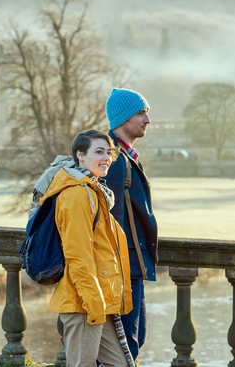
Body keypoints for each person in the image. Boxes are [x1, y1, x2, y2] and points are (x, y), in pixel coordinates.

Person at [41, 129, 133, 367]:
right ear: (80, 155)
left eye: (109, 152)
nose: (107, 158)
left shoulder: (94, 191)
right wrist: (94, 305)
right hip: (83, 302)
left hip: (97, 299)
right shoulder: (77, 195)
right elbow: (78, 256)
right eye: (99, 152)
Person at [103, 88, 159, 364]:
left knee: (134, 342)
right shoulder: (113, 162)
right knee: (121, 351)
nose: (147, 120)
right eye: (141, 113)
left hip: (134, 266)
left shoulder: (125, 157)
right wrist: (120, 271)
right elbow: (111, 222)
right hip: (123, 270)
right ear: (123, 118)